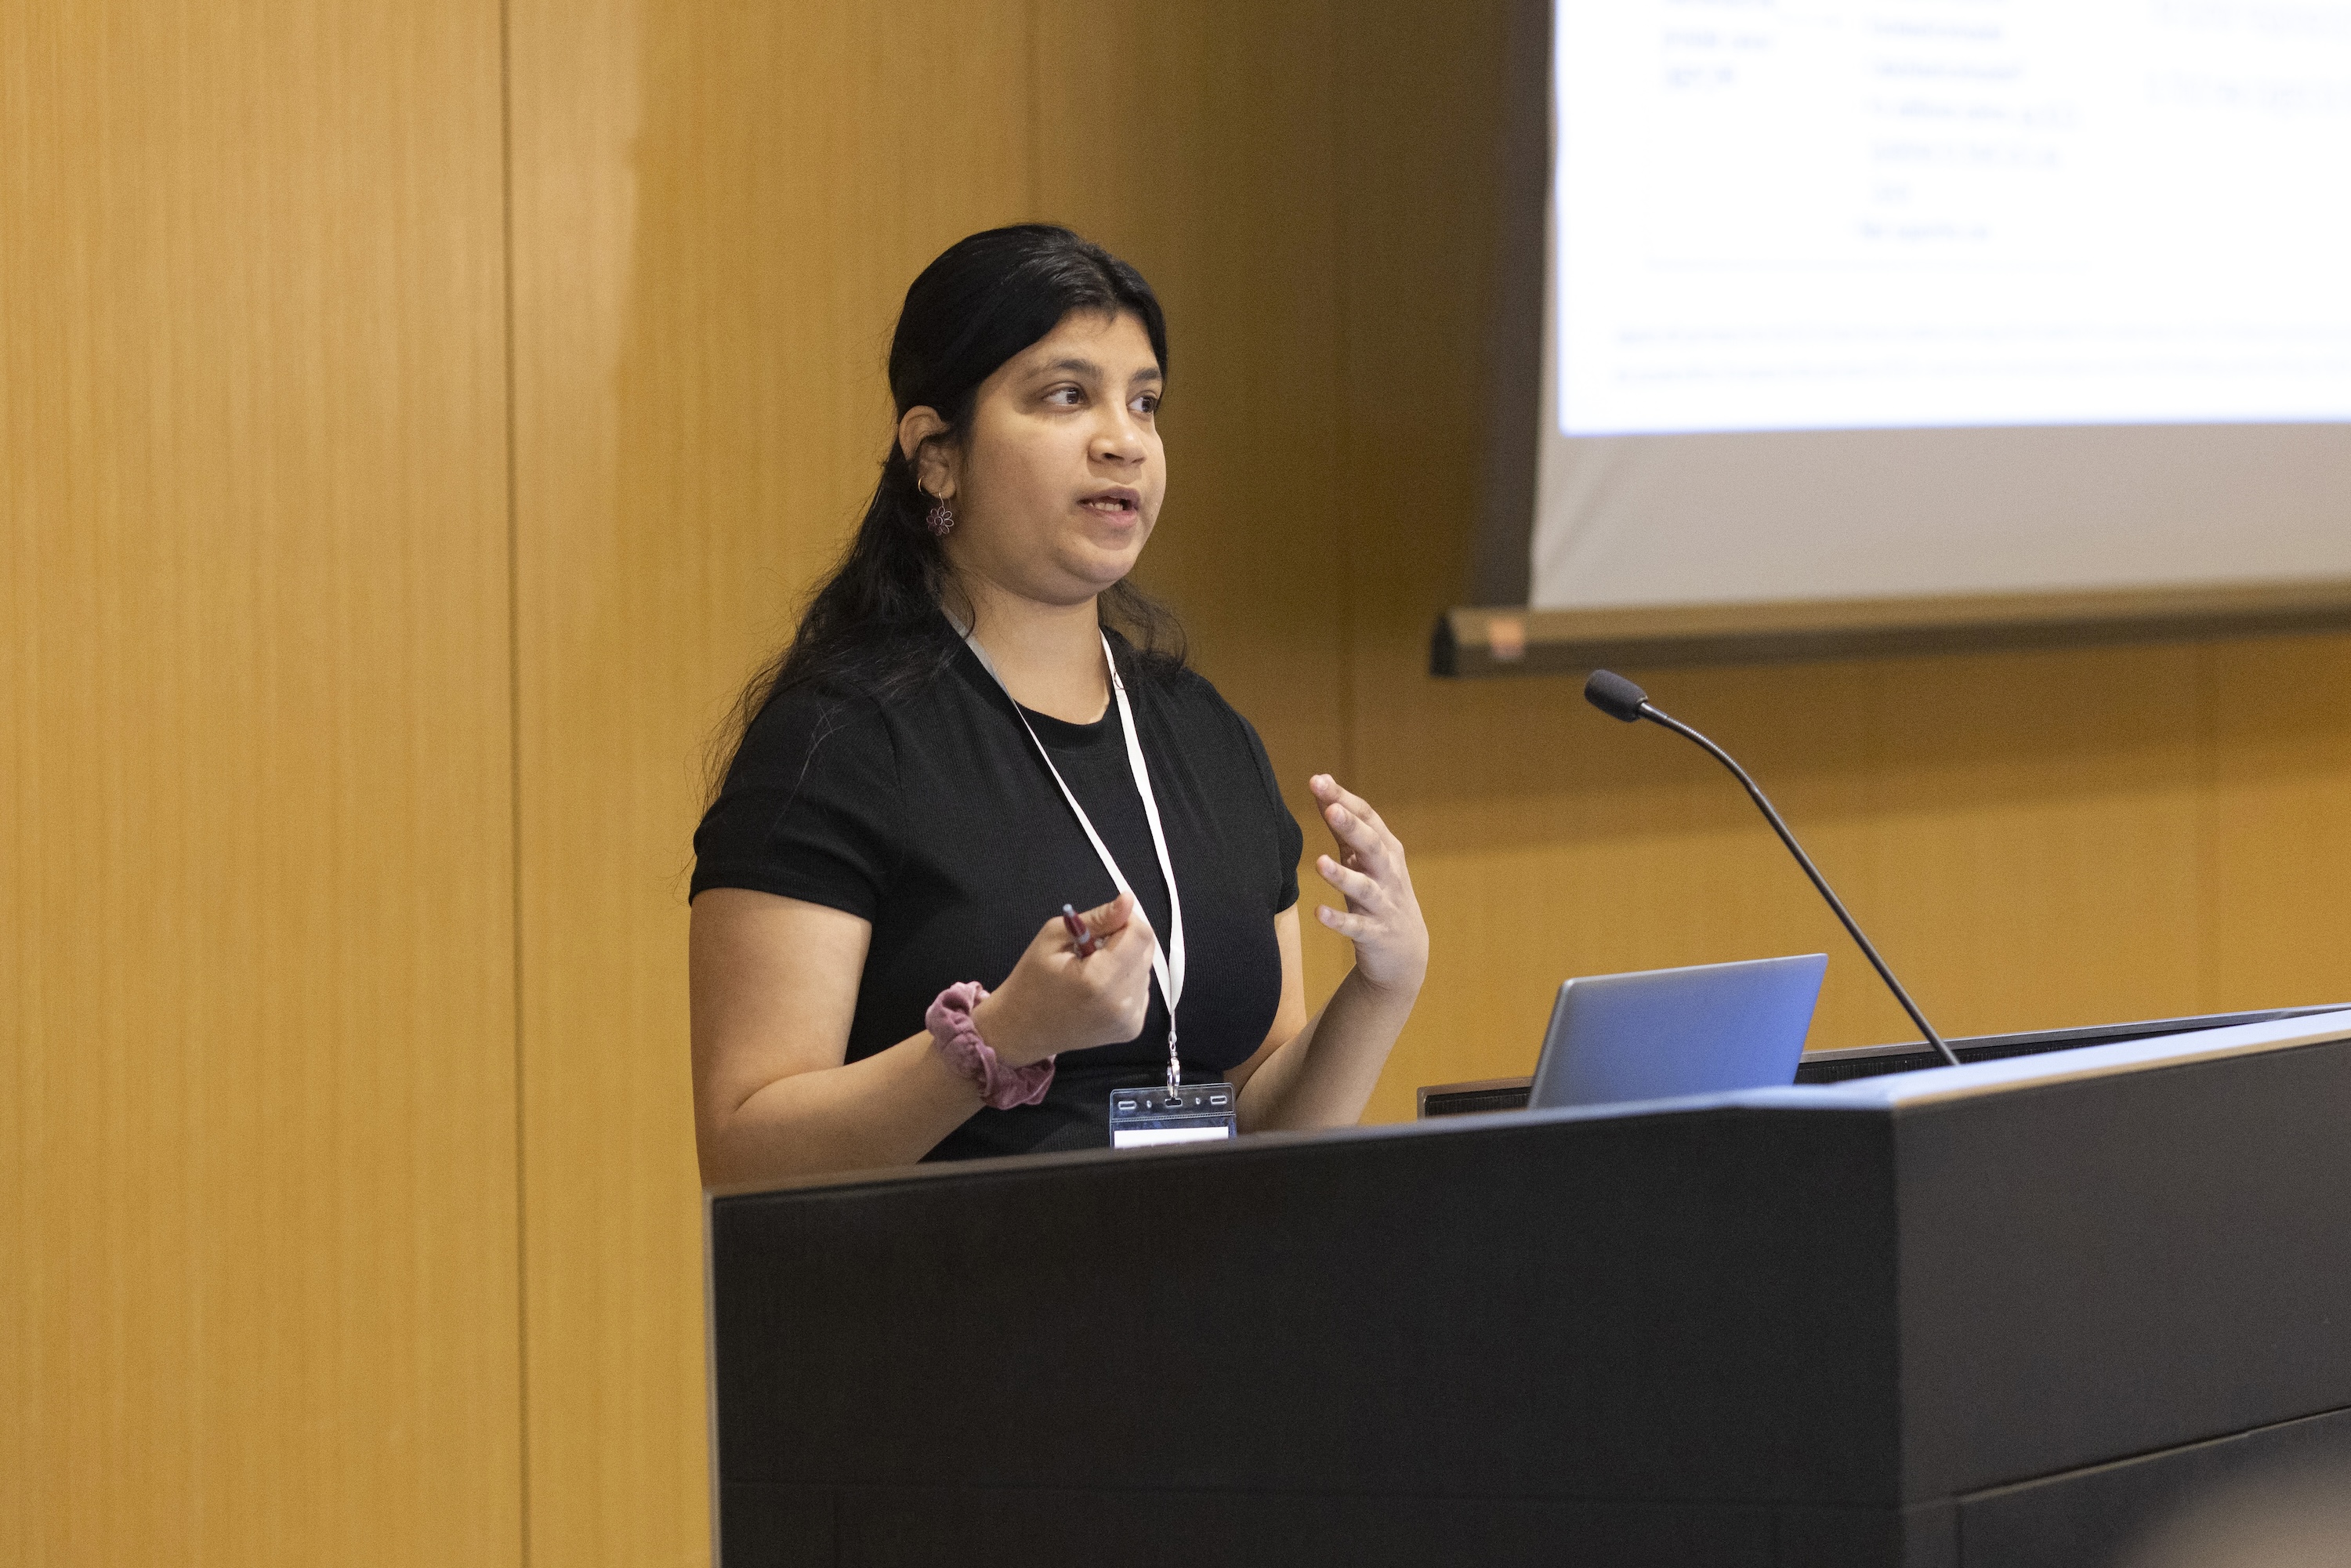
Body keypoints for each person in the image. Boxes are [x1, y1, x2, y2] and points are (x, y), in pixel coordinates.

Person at [689, 225, 1427, 1185]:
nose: (1123, 441)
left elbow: (1263, 1126)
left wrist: (1381, 989)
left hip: (1214, 1304)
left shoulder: (1207, 739)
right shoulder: (840, 741)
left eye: (1146, 402)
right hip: (955, 1312)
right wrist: (997, 1043)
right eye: (1066, 396)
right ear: (935, 455)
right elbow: (745, 1153)